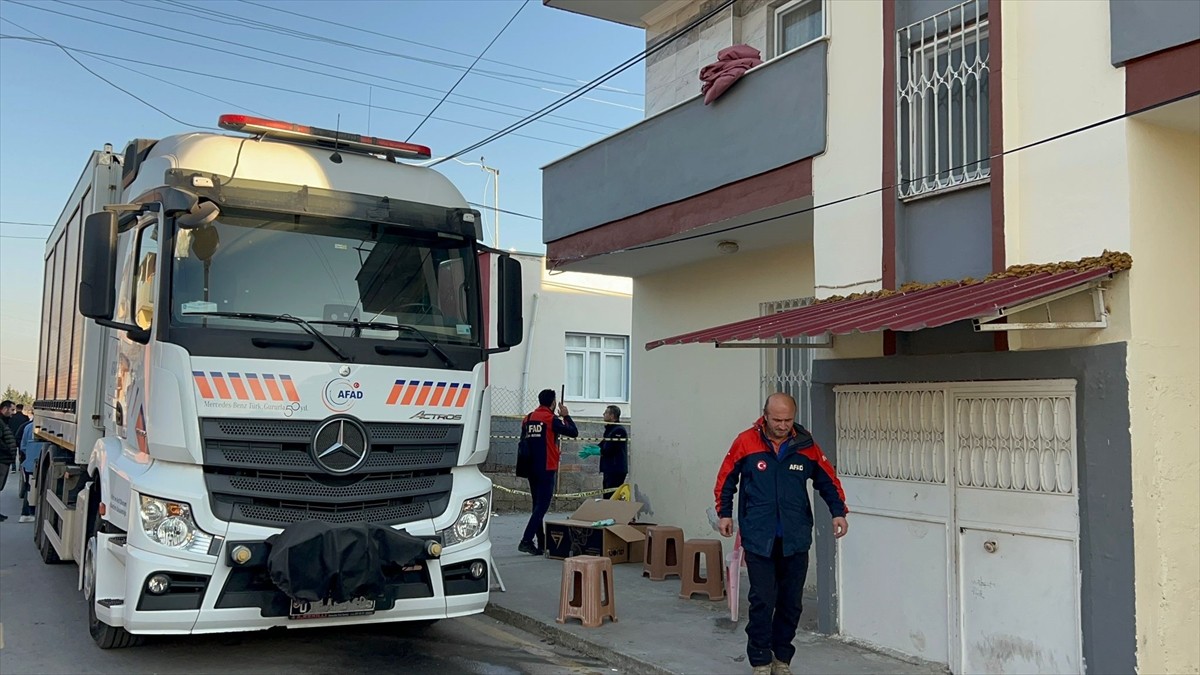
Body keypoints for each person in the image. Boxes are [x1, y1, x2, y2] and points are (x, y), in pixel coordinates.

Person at [714, 393, 849, 675]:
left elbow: (827, 479)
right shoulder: (746, 441)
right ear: (765, 416)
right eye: (777, 420)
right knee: (762, 600)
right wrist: (724, 513)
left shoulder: (806, 444)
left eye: (788, 420)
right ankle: (761, 661)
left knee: (791, 603)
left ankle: (782, 659)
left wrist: (839, 512)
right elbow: (727, 477)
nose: (783, 425)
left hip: (795, 538)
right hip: (759, 537)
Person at [517, 389, 578, 555]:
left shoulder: (528, 418)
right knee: (542, 506)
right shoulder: (551, 419)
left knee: (536, 506)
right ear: (553, 403)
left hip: (530, 468)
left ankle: (542, 542)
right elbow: (573, 432)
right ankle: (526, 540)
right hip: (546, 467)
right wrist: (565, 415)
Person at [598, 405, 629, 497]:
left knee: (611, 496)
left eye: (606, 413)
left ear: (612, 416)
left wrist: (598, 450)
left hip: (615, 469)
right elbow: (603, 444)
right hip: (609, 468)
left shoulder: (618, 430)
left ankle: (611, 512)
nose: (603, 414)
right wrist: (593, 448)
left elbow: (610, 449)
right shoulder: (610, 429)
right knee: (607, 494)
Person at [18, 418, 44, 523]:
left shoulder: (28, 427)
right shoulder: (46, 428)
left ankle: (27, 512)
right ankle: (27, 512)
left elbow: (23, 446)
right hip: (38, 460)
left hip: (30, 462)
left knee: (29, 487)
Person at [0, 400, 18, 522]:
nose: (13, 413)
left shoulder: (3, 422)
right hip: (1, 459)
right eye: (11, 410)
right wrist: (6, 450)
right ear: (5, 409)